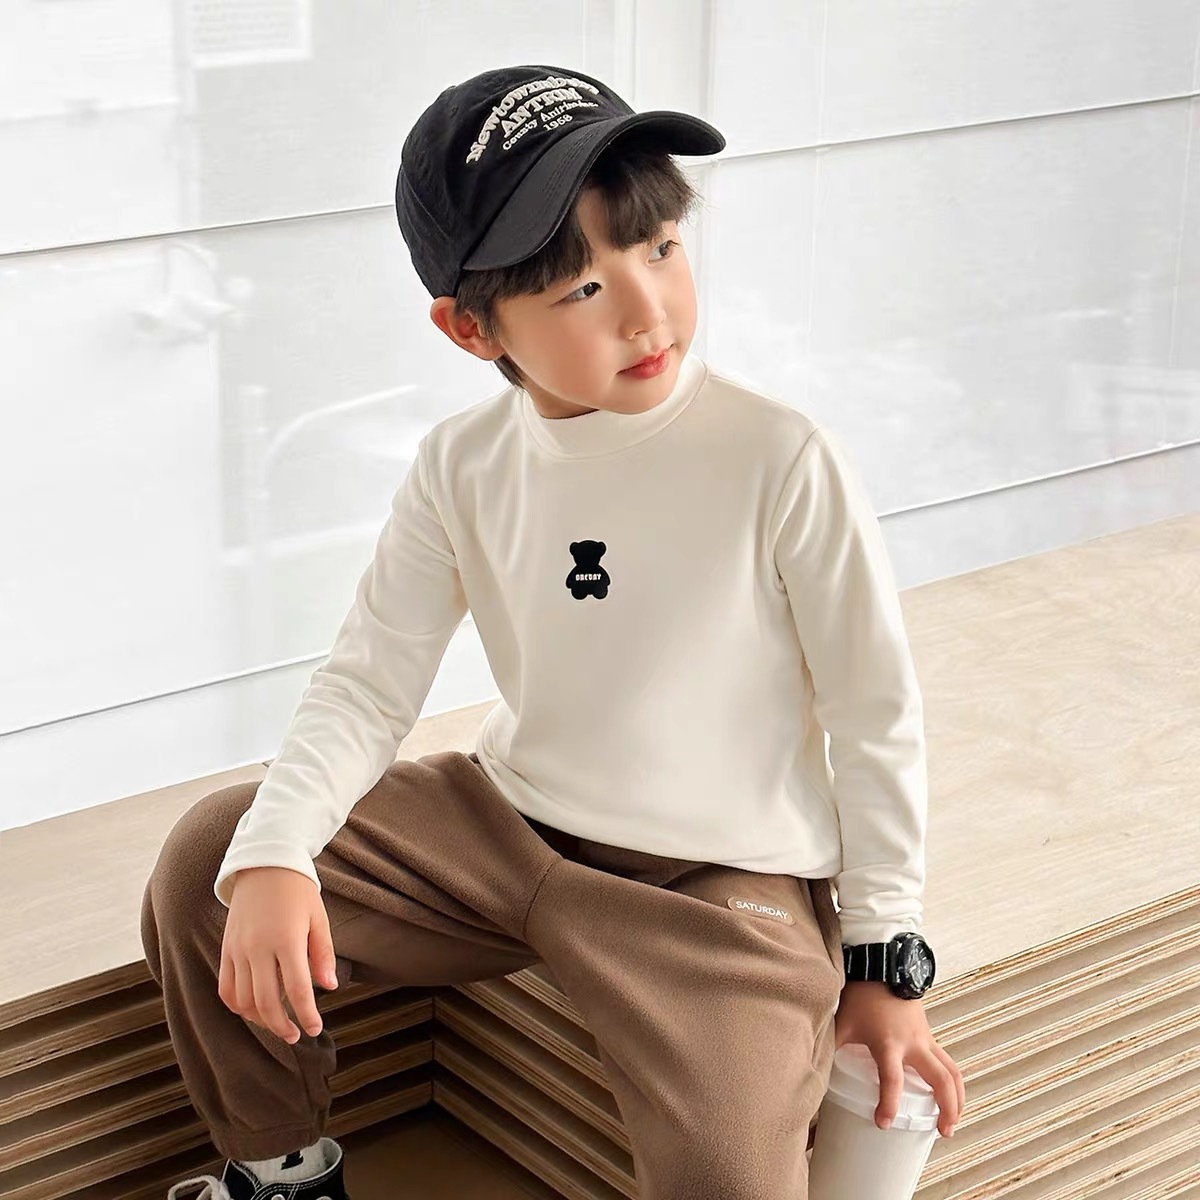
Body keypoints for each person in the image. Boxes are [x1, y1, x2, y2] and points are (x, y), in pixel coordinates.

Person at [143, 63, 965, 1200]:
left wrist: (883, 961)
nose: (646, 310)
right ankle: (280, 1174)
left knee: (731, 1177)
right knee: (215, 860)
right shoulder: (462, 466)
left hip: (712, 884)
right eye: (581, 287)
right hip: (504, 829)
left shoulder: (779, 457)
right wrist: (280, 852)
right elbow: (369, 683)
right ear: (469, 328)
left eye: (660, 248)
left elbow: (876, 714)